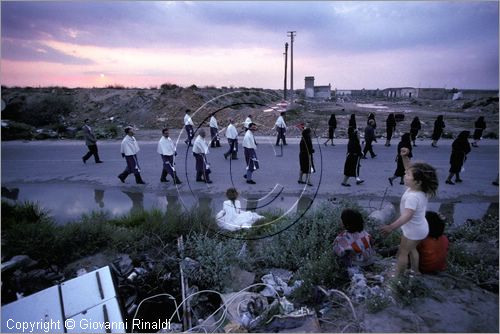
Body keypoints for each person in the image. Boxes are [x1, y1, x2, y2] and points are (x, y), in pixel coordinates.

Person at [380, 148, 439, 276]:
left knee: (403, 252)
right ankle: (415, 271)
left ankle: (397, 275)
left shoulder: (413, 196)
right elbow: (409, 168)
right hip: (418, 228)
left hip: (414, 230)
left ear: (417, 182)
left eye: (407, 175)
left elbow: (407, 215)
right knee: (412, 250)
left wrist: (391, 227)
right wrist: (404, 157)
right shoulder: (420, 189)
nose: (404, 175)